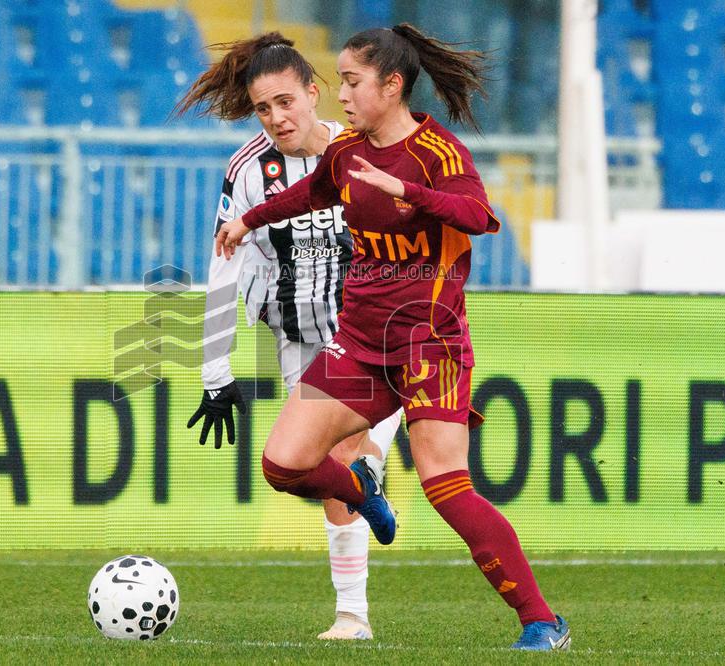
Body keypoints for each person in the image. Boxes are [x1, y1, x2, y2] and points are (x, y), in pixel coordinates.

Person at [214, 24, 571, 651]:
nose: (343, 95)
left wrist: (408, 191)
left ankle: (541, 621)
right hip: (359, 341)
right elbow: (310, 192)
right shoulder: (348, 151)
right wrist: (249, 218)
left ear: (392, 85)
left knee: (446, 488)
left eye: (352, 82)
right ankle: (366, 495)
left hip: (429, 345)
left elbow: (479, 216)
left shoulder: (438, 153)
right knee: (283, 464)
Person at [175, 33, 403, 641]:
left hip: (376, 331)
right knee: (326, 471)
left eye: (285, 102)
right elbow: (225, 264)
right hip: (300, 339)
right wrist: (214, 371)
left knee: (354, 459)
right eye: (262, 108)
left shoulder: (365, 150)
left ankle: (353, 612)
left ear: (314, 91)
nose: (276, 118)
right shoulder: (249, 170)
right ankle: (353, 611)